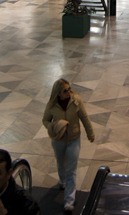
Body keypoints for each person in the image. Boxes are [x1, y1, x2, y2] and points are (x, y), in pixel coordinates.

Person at [42, 79, 95, 213]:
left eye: (69, 89)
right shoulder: (52, 104)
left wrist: (90, 133)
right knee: (61, 164)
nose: (68, 92)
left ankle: (69, 201)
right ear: (58, 93)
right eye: (65, 90)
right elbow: (45, 119)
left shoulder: (76, 100)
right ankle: (62, 180)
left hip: (74, 139)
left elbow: (84, 117)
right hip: (58, 140)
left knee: (72, 170)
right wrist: (53, 127)